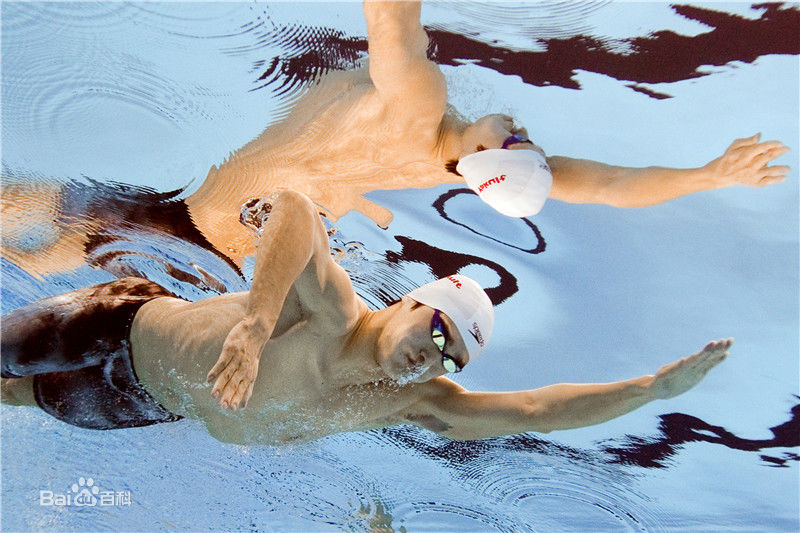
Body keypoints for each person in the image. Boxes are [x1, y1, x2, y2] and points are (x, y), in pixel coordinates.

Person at [1, 1, 789, 277]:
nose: (523, 126)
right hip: (220, 254)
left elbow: (391, 20)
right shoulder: (441, 170)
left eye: (516, 136)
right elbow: (610, 187)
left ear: (488, 155)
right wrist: (710, 173)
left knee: (33, 217)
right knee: (39, 260)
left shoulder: (421, 105)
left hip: (178, 218)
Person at [1, 190, 732, 445]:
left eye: (452, 358)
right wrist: (256, 325)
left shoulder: (413, 402)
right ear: (411, 304)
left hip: (140, 403)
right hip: (110, 324)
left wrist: (649, 391)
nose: (433, 356)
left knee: (13, 396)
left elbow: (537, 408)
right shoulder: (332, 310)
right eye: (436, 330)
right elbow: (292, 205)